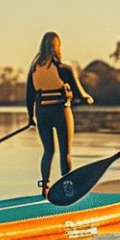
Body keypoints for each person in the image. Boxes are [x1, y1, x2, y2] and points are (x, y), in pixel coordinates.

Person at [26, 31, 94, 198]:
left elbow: (29, 96)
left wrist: (30, 118)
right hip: (60, 112)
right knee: (65, 152)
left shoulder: (34, 70)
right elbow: (80, 94)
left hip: (41, 113)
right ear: (58, 47)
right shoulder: (64, 69)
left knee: (48, 151)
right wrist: (88, 99)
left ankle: (45, 187)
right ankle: (67, 189)